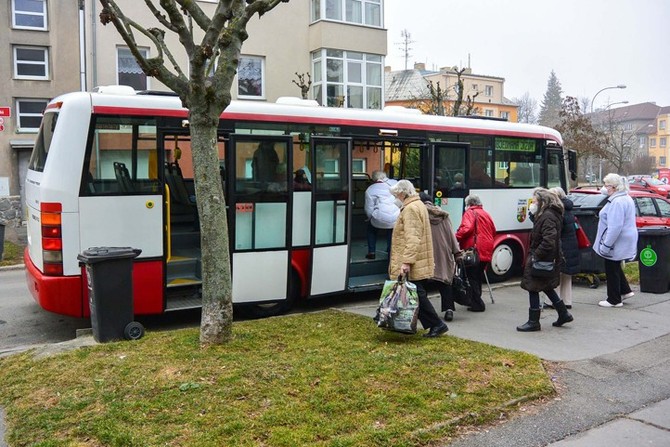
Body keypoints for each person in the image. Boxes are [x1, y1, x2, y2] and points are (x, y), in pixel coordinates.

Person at [389, 180, 448, 337]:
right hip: (420, 258)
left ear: (402, 193)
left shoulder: (410, 209)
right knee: (416, 294)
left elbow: (412, 238)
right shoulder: (418, 205)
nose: (396, 197)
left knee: (417, 295)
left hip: (414, 260)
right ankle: (433, 324)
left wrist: (406, 262)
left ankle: (437, 324)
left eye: (396, 194)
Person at [517, 188, 573, 332]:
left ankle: (533, 321)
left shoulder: (547, 216)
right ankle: (563, 313)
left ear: (542, 201)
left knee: (532, 287)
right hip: (547, 258)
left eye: (534, 200)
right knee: (546, 286)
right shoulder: (547, 214)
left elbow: (549, 240)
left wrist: (536, 255)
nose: (532, 203)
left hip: (542, 258)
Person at [594, 173, 638, 308]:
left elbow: (615, 227)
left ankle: (614, 299)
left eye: (607, 185)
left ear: (613, 187)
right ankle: (625, 290)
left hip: (616, 240)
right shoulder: (625, 197)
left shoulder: (616, 202)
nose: (605, 188)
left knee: (611, 266)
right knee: (615, 265)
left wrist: (606, 245)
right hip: (625, 237)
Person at [420, 192, 463, 322]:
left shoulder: (420, 214)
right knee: (445, 281)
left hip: (426, 252)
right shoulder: (443, 215)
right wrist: (457, 252)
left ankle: (423, 311)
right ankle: (449, 310)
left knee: (420, 283)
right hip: (443, 252)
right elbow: (451, 234)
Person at [455, 194, 496, 312]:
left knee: (471, 275)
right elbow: (493, 230)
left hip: (474, 249)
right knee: (478, 275)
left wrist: (456, 237)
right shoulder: (485, 213)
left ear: (469, 204)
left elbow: (466, 228)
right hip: (486, 248)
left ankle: (477, 303)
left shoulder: (470, 213)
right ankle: (475, 299)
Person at [544, 187, 580, 310]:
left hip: (561, 247)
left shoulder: (557, 210)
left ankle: (553, 301)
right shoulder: (568, 209)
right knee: (566, 276)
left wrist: (533, 215)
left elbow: (550, 228)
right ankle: (567, 301)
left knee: (555, 275)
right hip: (570, 246)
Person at [364, 171, 399, 259]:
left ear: (373, 179)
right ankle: (390, 251)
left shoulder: (370, 189)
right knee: (391, 230)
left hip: (379, 217)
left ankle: (371, 252)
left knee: (371, 229)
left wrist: (369, 218)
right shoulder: (395, 183)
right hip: (396, 216)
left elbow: (369, 208)